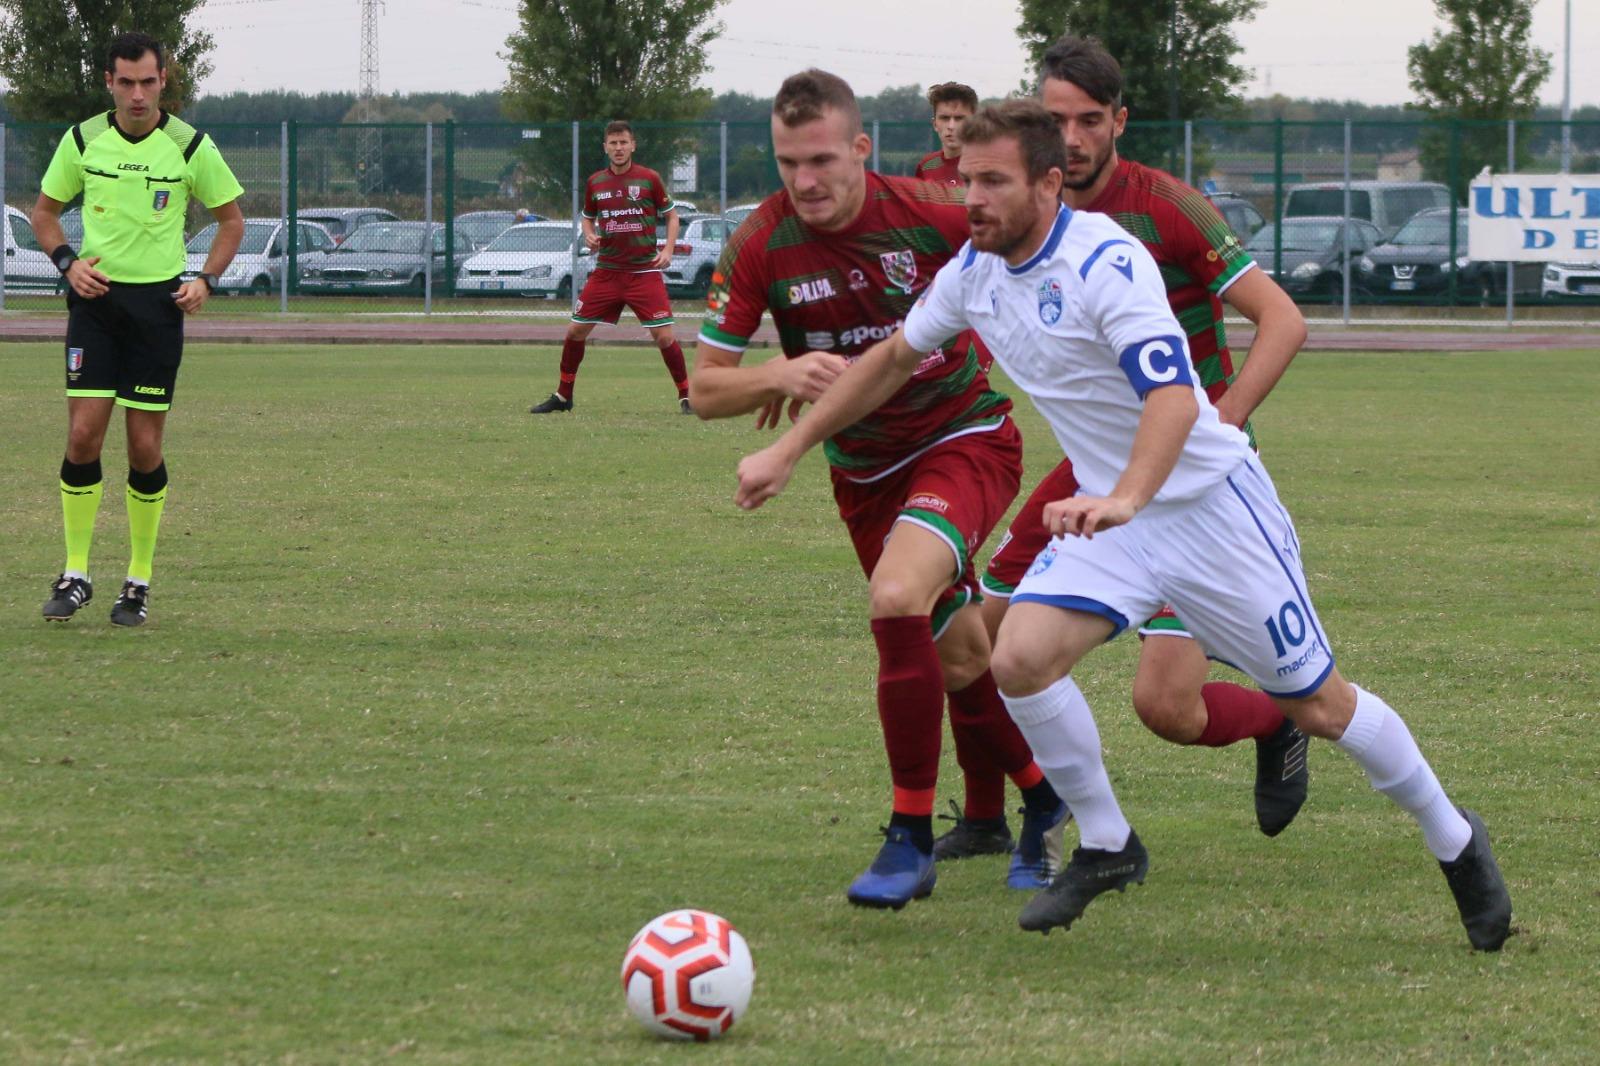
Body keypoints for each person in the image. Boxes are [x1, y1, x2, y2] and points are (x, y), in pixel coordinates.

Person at [733, 99, 1512, 952]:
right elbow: (889, 358)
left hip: (1212, 514)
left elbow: (1174, 398)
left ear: (1048, 183)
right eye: (966, 181)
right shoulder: (974, 270)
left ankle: (1454, 838)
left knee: (1321, 706)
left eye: (993, 182)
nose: (973, 199)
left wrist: (1129, 499)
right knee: (1019, 658)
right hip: (1116, 519)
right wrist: (794, 448)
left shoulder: (1108, 261)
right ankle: (1108, 844)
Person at [689, 69, 1069, 908]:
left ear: (861, 148)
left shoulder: (931, 213)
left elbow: (1042, 244)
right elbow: (704, 389)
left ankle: (906, 837)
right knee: (963, 654)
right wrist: (776, 372)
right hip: (863, 475)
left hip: (961, 439)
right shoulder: (761, 242)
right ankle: (1044, 797)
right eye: (789, 162)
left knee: (898, 597)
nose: (805, 180)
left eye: (822, 158)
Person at [939, 36, 1313, 862]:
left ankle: (1281, 716)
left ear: (1118, 123)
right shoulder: (1021, 209)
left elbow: (1283, 319)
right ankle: (992, 815)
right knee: (977, 638)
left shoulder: (1167, 206)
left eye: (1087, 121)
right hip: (1089, 473)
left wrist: (1220, 418)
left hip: (1190, 484)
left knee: (1167, 710)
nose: (1069, 138)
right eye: (1054, 119)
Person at [32, 31, 243, 627]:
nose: (137, 94)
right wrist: (68, 265)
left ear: (163, 81)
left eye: (147, 82)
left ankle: (138, 580)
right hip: (95, 308)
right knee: (81, 439)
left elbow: (231, 222)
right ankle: (75, 574)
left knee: (145, 446)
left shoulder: (189, 145)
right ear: (110, 83)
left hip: (157, 310)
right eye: (125, 82)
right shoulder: (82, 140)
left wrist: (205, 279)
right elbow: (44, 213)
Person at [530, 120, 691, 415]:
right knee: (575, 331)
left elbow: (672, 217)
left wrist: (668, 249)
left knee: (664, 337)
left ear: (633, 145)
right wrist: (589, 233)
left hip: (643, 272)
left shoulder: (649, 179)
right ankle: (564, 396)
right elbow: (588, 217)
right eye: (613, 143)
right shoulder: (596, 182)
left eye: (623, 142)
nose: (619, 148)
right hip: (607, 272)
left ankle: (687, 396)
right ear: (605, 147)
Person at [916, 82, 978, 188]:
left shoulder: (987, 166)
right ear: (935, 124)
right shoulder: (925, 166)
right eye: (945, 118)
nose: (951, 126)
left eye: (959, 118)